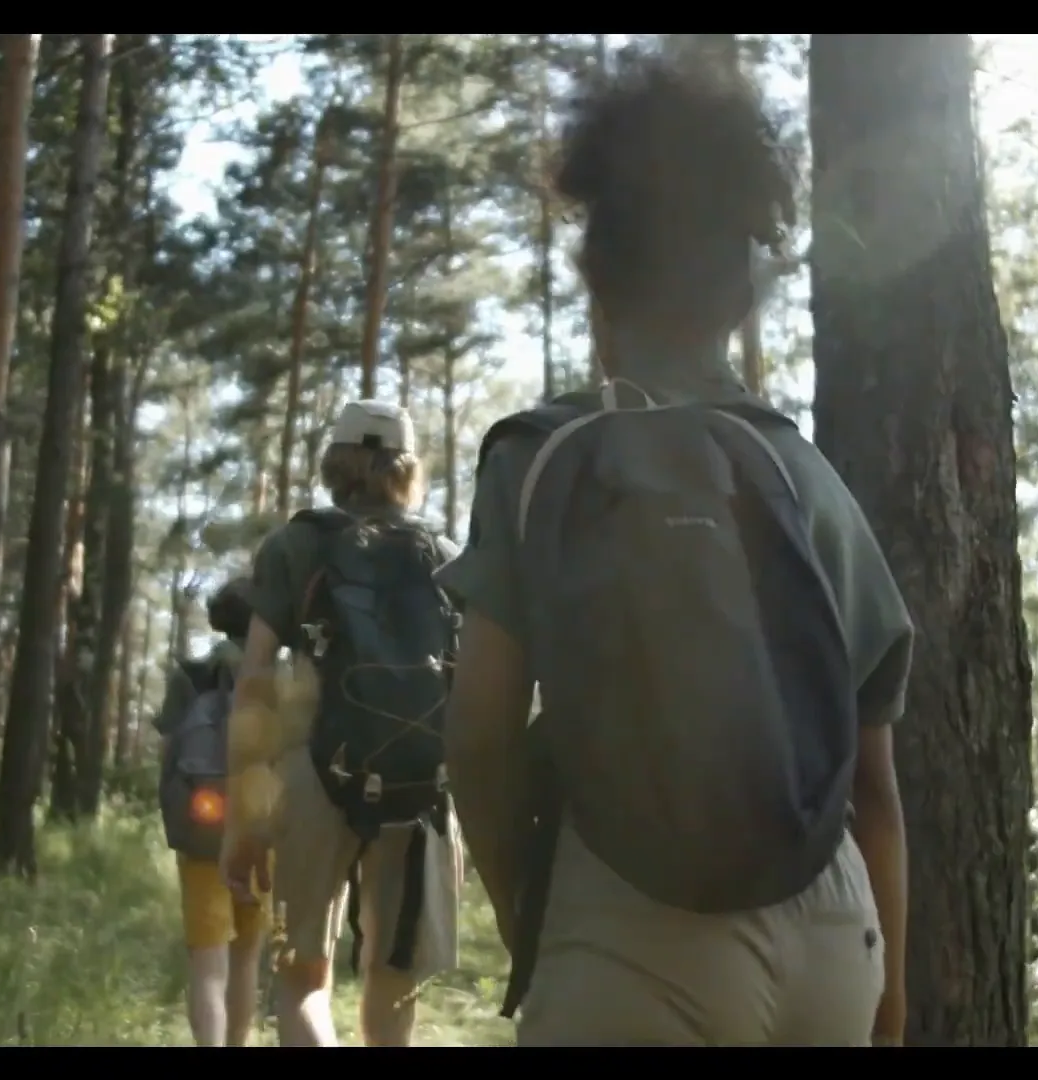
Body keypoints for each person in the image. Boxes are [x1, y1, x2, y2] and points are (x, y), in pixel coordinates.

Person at [436, 48, 913, 1047]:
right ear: (742, 293)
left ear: (596, 283)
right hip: (833, 931)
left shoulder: (544, 456)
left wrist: (532, 916)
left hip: (628, 926)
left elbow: (478, 737)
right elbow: (873, 789)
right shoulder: (809, 479)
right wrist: (890, 999)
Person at [222, 399, 465, 1047]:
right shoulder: (444, 553)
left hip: (313, 777)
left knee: (301, 984)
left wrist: (243, 821)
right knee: (394, 985)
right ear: (406, 467)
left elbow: (252, 682)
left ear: (337, 462)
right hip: (420, 787)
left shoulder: (296, 543)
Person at [154, 581, 269, 1046]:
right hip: (263, 830)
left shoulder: (191, 674)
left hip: (204, 830)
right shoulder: (277, 675)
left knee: (208, 962)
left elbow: (169, 750)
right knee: (246, 957)